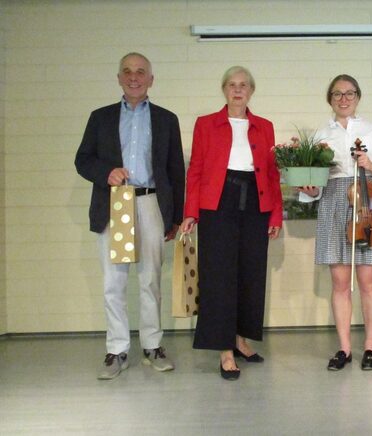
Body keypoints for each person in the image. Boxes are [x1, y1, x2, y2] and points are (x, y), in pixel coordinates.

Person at [75, 52, 185, 380]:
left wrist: (175, 217)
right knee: (114, 280)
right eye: (127, 72)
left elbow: (176, 170)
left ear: (151, 79)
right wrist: (105, 172)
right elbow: (82, 159)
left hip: (150, 203)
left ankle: (152, 345)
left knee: (150, 278)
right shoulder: (100, 118)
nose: (134, 77)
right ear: (119, 78)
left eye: (140, 72)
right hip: (115, 204)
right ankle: (117, 349)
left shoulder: (167, 119)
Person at [180, 66, 282, 381]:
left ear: (251, 90)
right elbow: (195, 169)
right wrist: (190, 211)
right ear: (224, 89)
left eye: (243, 85)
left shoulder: (265, 126)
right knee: (220, 275)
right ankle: (225, 349)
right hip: (217, 203)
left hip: (256, 201)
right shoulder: (205, 124)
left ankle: (241, 339)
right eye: (232, 85)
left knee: (251, 273)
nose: (238, 90)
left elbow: (272, 172)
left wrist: (276, 212)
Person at [298, 74, 372, 371]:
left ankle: (371, 346)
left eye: (349, 93)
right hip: (333, 202)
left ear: (358, 96)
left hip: (366, 205)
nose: (344, 99)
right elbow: (315, 180)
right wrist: (311, 189)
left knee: (368, 281)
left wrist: (369, 164)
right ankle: (344, 348)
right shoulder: (319, 135)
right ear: (329, 98)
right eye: (337, 94)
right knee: (340, 282)